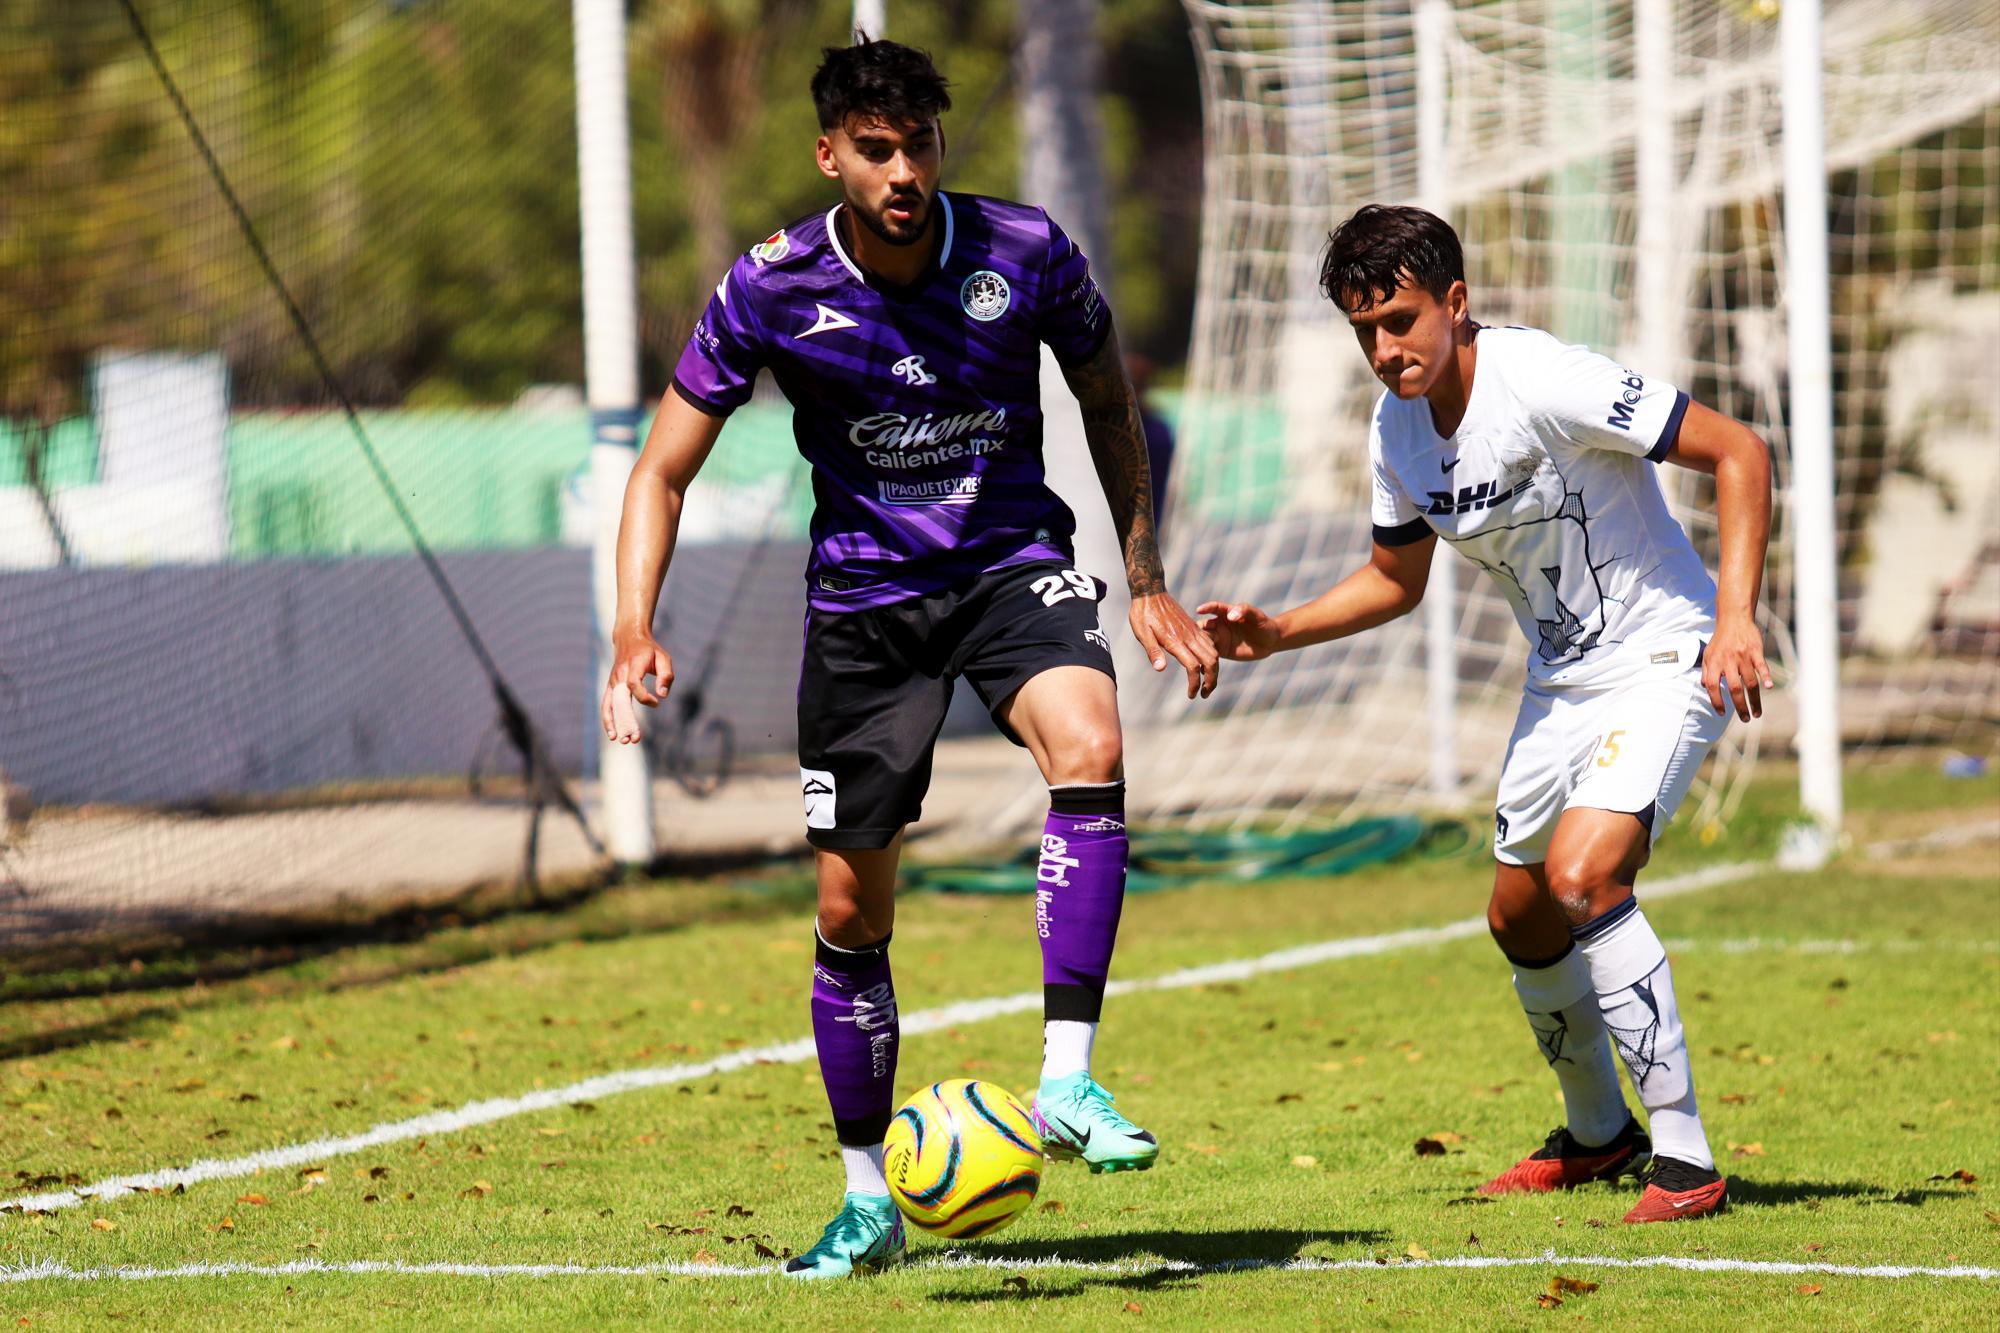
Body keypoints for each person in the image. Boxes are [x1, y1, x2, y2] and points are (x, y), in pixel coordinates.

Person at [600, 38, 1218, 1278]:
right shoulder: (769, 286)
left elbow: (1105, 399)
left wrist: (1142, 578)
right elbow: (661, 469)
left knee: (1090, 744)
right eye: (875, 151)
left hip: (1007, 569)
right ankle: (865, 1195)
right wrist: (630, 628)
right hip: (866, 610)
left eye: (919, 146)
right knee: (847, 908)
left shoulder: (1024, 252)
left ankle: (1065, 1082)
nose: (902, 171)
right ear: (830, 154)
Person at [1200, 204, 1772, 1224]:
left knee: (1585, 874)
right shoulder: (1393, 429)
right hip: (1558, 680)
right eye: (1363, 330)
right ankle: (1596, 1135)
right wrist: (1276, 630)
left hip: (1662, 650)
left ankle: (1683, 1161)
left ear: (1455, 304)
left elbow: (1738, 451)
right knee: (1518, 914)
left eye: (1402, 320)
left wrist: (1732, 620)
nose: (1385, 349)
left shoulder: (1545, 379)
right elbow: (1394, 580)